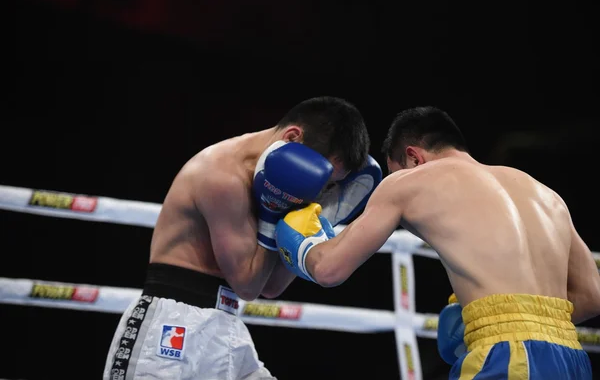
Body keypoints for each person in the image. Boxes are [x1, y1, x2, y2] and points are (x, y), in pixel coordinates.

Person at [275, 106, 600, 379]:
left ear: (413, 158)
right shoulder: (546, 195)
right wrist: (512, 317)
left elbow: (329, 268)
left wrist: (301, 240)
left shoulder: (409, 181)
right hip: (572, 357)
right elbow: (592, 296)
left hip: (508, 357)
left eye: (395, 171)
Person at [102, 96, 382, 380]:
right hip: (172, 327)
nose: (320, 189)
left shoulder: (287, 186)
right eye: (323, 180)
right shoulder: (221, 176)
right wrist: (275, 213)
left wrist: (320, 220)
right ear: (293, 138)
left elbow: (271, 286)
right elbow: (248, 284)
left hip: (226, 325)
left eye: (330, 184)